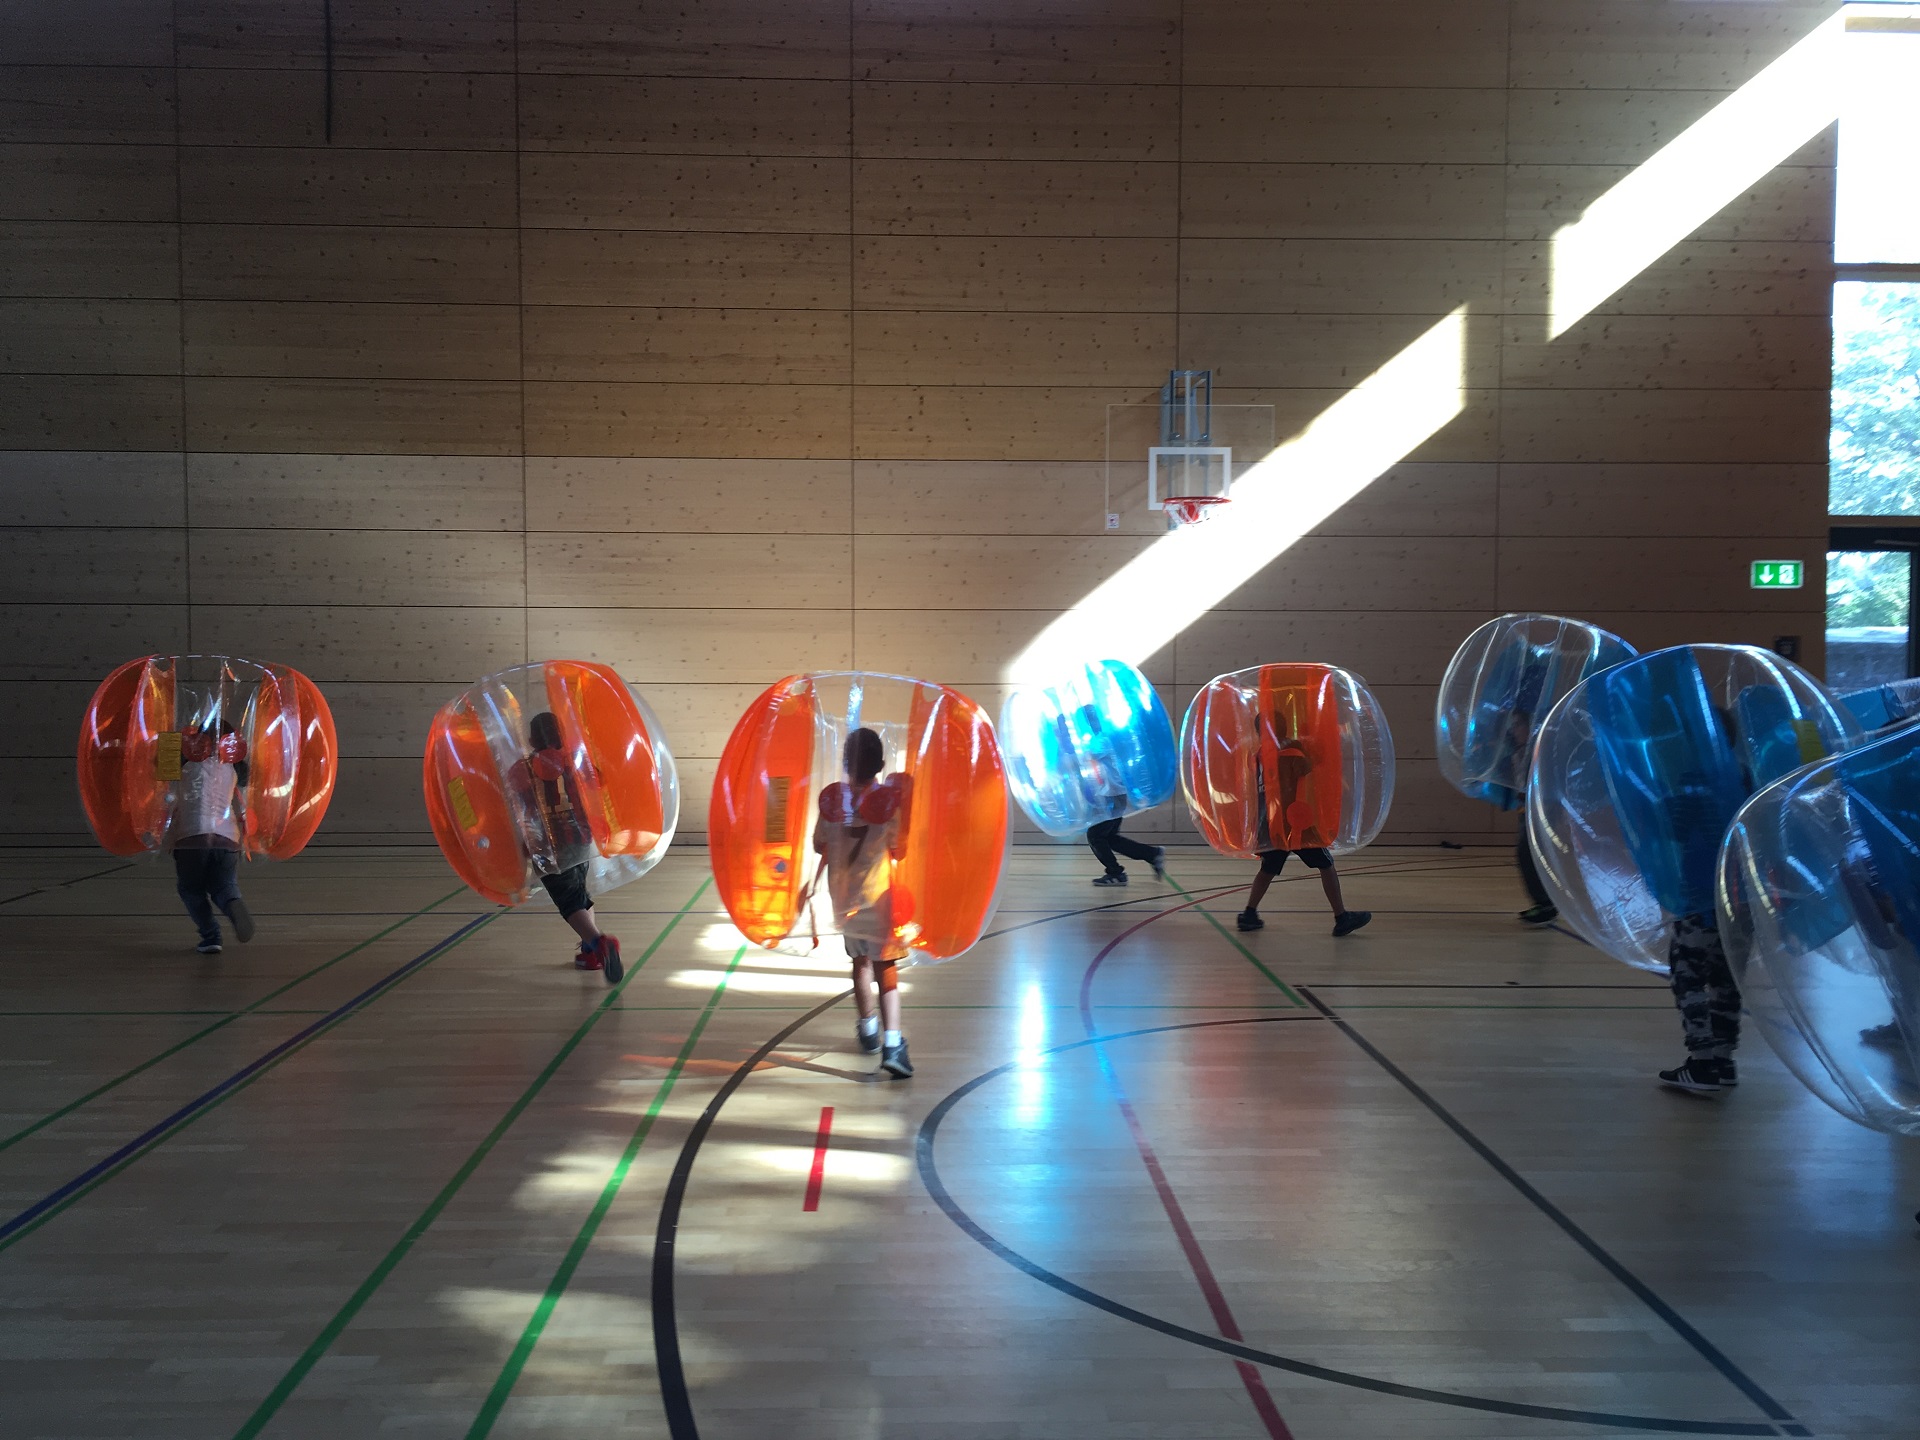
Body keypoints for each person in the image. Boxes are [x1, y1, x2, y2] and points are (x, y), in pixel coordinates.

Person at [813, 727, 914, 1078]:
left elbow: (818, 844)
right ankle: (893, 1043)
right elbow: (900, 849)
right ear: (881, 764)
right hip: (879, 900)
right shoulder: (890, 805)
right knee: (887, 969)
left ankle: (867, 1028)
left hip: (845, 900)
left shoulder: (833, 802)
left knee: (860, 961)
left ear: (845, 762)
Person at [511, 711, 622, 983]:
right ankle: (589, 951)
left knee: (569, 902)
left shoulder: (520, 769)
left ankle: (599, 943)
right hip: (581, 839)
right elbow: (601, 781)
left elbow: (517, 807)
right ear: (562, 736)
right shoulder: (576, 762)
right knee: (579, 894)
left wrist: (522, 844)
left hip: (549, 846)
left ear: (531, 739)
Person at [1233, 732, 1369, 937]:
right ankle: (1341, 917)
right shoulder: (1287, 752)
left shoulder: (1261, 754)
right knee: (1326, 864)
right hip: (1294, 821)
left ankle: (1248, 914)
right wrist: (1308, 747)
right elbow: (1306, 767)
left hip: (1271, 821)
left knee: (1268, 869)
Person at [173, 716, 255, 955]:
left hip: (191, 836)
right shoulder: (234, 768)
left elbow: (165, 792)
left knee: (191, 889)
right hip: (227, 838)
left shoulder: (184, 765)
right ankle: (233, 904)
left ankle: (211, 936)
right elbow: (243, 804)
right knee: (224, 886)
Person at [1074, 709, 1165, 888]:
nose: (1090, 723)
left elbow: (1087, 756)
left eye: (1091, 718)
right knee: (1110, 838)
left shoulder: (1103, 739)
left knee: (1095, 836)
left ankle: (1116, 873)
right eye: (1088, 719)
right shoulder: (1099, 738)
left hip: (1113, 796)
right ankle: (1152, 854)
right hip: (1111, 795)